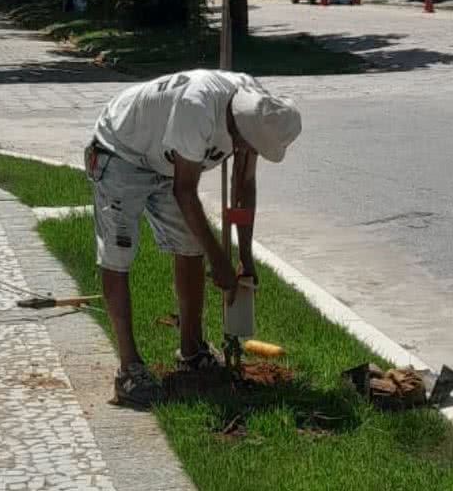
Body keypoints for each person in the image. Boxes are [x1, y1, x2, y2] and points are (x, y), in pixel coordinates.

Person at [85, 69, 302, 407]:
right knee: (118, 251)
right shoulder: (197, 107)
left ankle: (191, 351)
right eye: (246, 145)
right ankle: (129, 370)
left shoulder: (259, 111)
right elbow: (185, 192)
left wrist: (244, 255)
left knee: (190, 246)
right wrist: (219, 263)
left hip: (169, 163)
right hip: (123, 149)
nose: (246, 151)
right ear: (239, 128)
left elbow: (243, 186)